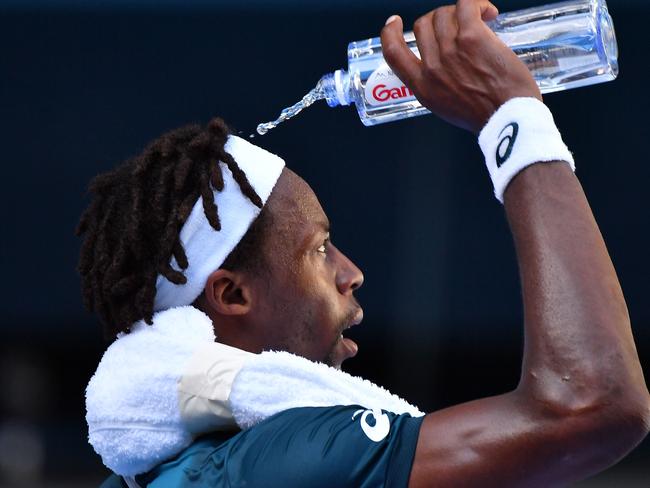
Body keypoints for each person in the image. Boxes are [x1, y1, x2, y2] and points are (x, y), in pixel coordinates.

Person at [77, 0, 650, 486]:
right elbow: (591, 405)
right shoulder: (285, 460)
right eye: (320, 248)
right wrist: (513, 119)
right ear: (231, 295)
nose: (351, 273)